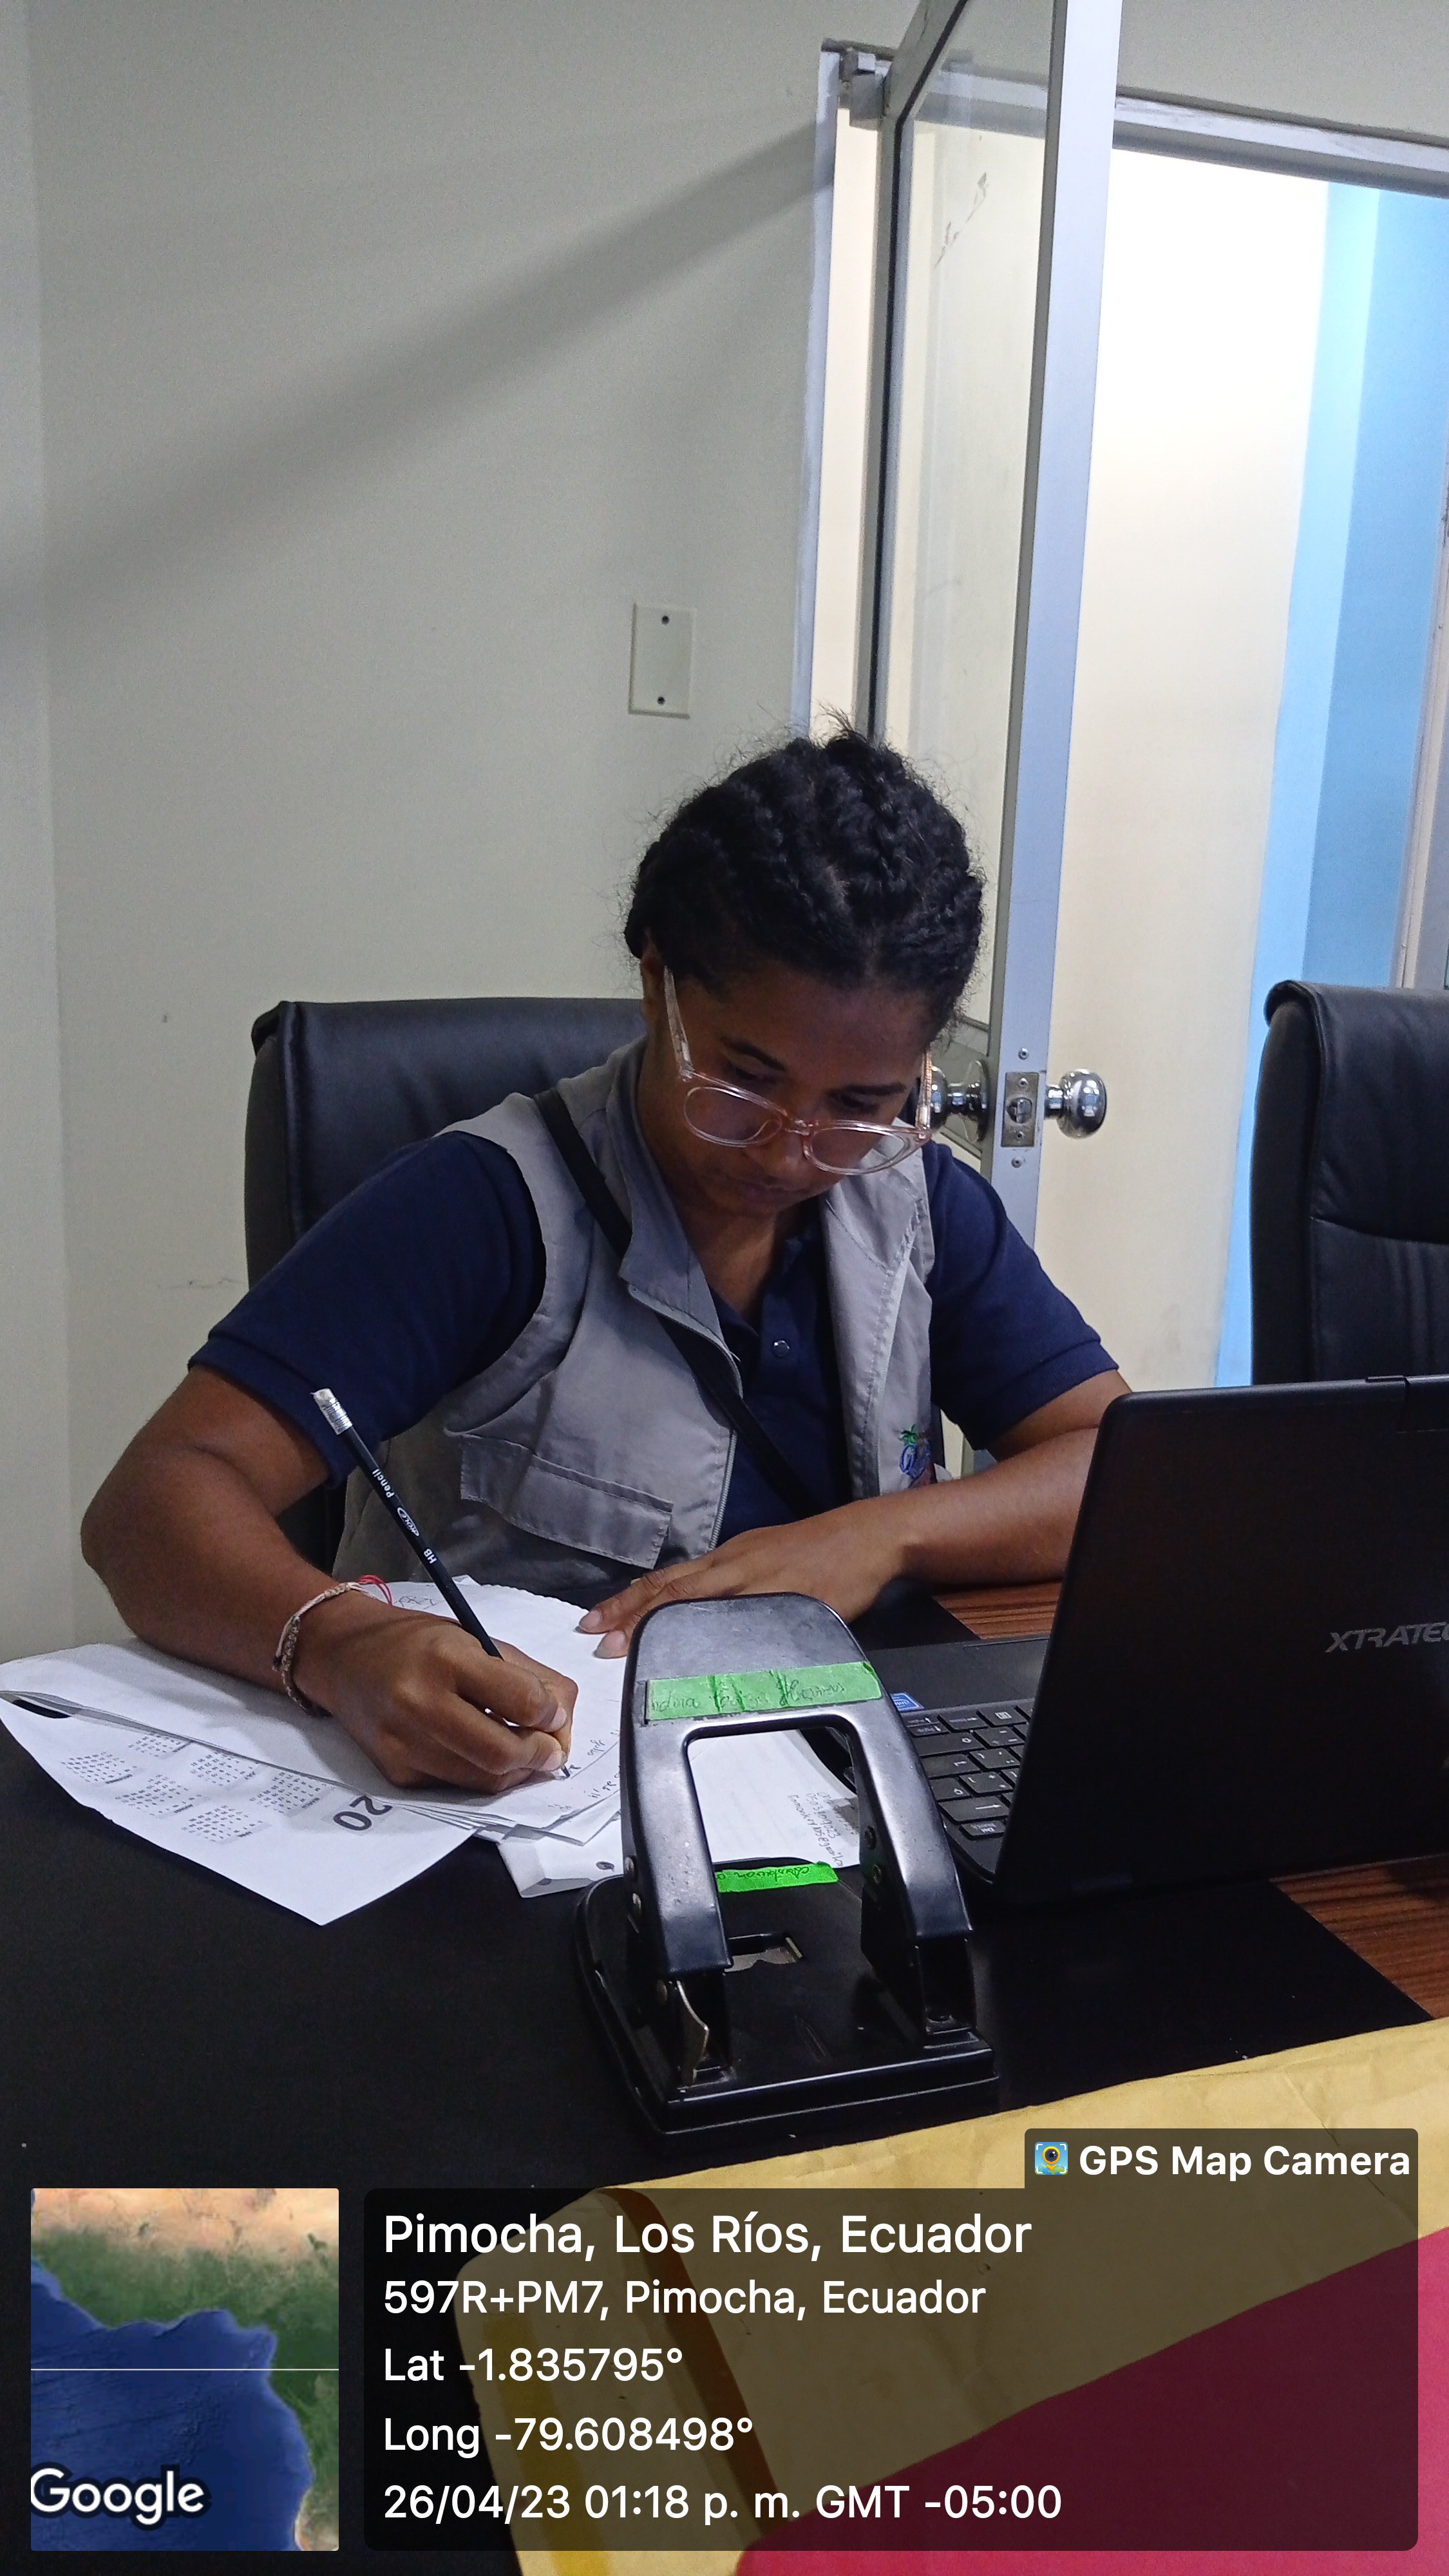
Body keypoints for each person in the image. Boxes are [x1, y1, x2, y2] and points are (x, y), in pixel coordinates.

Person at [82, 732, 1127, 1795]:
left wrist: (884, 1538)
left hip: (844, 1772)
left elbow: (1112, 1466)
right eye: (742, 1084)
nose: (789, 1153)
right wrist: (338, 1643)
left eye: (860, 1104)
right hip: (538, 1795)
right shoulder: (485, 1206)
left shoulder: (918, 1207)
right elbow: (153, 1500)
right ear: (657, 982)